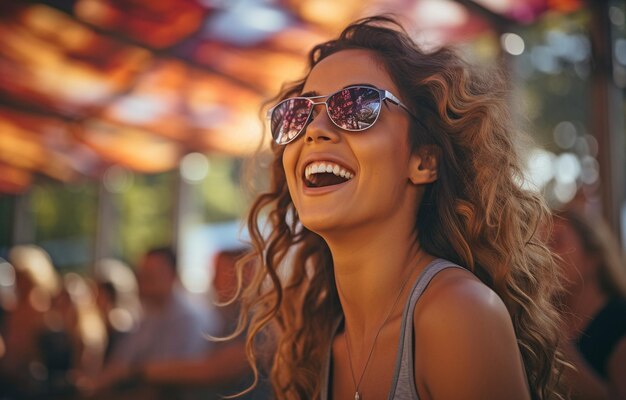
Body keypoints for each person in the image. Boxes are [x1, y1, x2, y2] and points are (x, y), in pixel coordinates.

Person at [233, 15, 566, 400]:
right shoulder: (319, 344)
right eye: (299, 113)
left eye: (356, 105)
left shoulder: (458, 314)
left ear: (423, 161)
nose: (314, 128)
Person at [92, 246, 213, 399]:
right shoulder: (148, 312)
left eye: (151, 276)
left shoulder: (188, 318)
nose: (143, 282)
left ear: (172, 276)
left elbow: (173, 379)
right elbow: (122, 361)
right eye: (142, 275)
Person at [550, 210, 626, 399]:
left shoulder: (620, 318)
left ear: (593, 257)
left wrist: (556, 342)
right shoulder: (550, 315)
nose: (546, 255)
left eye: (556, 242)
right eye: (541, 245)